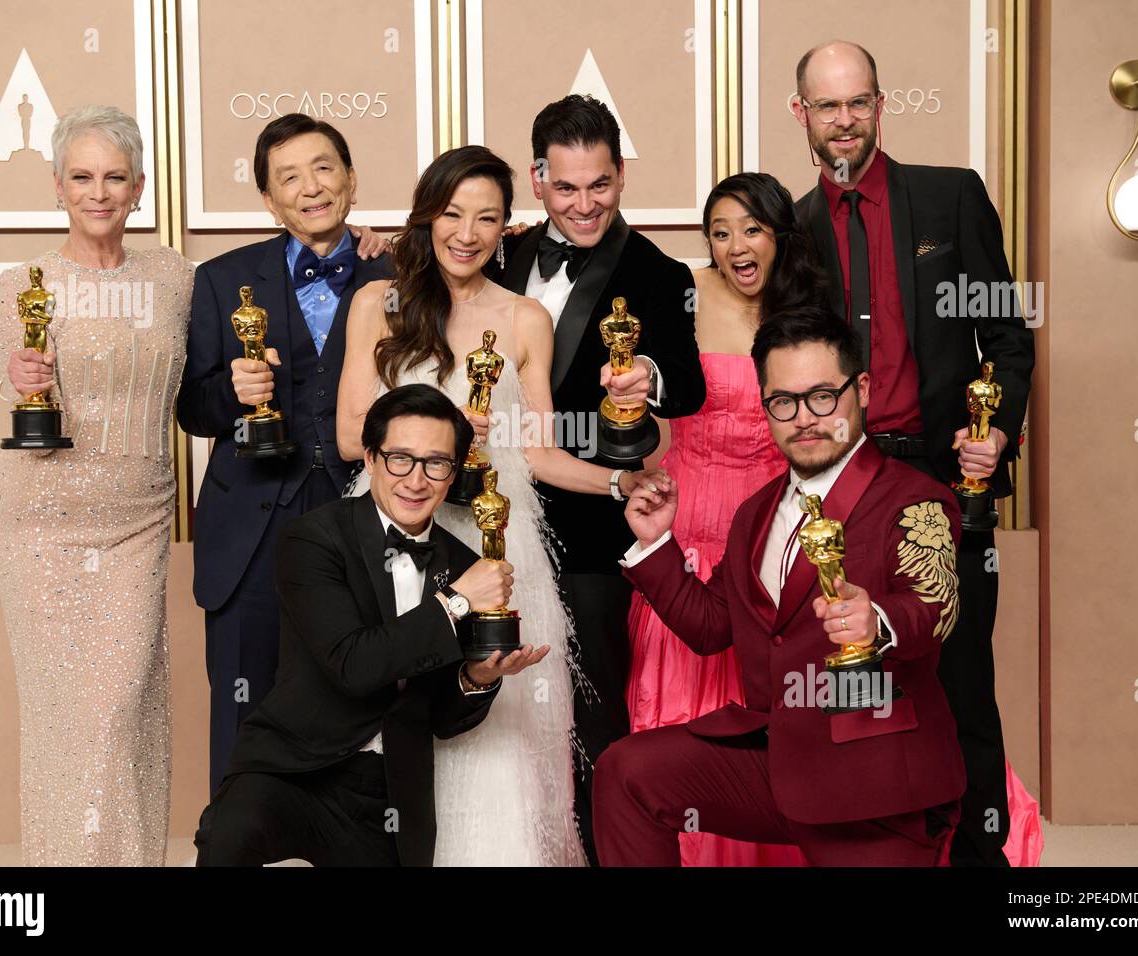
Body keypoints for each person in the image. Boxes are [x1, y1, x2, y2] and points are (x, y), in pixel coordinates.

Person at [338, 145, 665, 865]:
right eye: (452, 213)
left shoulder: (522, 319)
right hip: (400, 549)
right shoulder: (378, 303)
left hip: (501, 553)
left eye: (487, 217)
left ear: (504, 227)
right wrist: (442, 435)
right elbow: (346, 434)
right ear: (426, 217)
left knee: (507, 747)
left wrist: (622, 483)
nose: (467, 231)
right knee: (404, 730)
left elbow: (540, 454)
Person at [595, 308, 967, 866]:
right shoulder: (756, 514)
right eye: (784, 402)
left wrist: (878, 622)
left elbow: (934, 607)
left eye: (823, 396)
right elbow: (709, 625)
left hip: (874, 787)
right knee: (627, 771)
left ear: (861, 390)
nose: (805, 419)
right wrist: (656, 544)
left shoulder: (913, 498)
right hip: (775, 759)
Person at [791, 40, 1037, 866]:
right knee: (859, 688)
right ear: (803, 117)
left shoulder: (950, 198)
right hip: (843, 493)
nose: (845, 121)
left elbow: (1005, 336)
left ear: (880, 105)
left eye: (858, 102)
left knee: (961, 685)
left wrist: (996, 431)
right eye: (828, 106)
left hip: (941, 479)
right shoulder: (789, 230)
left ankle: (982, 859)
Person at [195, 384, 547, 866]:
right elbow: (354, 664)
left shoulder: (462, 563)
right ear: (369, 458)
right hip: (293, 769)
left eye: (436, 463)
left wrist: (475, 679)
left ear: (453, 474)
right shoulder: (312, 539)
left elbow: (441, 718)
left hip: (388, 795)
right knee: (229, 834)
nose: (416, 480)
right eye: (399, 458)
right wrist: (457, 601)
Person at [495, 95, 708, 862]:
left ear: (621, 174)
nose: (584, 205)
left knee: (593, 711)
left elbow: (687, 384)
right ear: (537, 179)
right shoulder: (498, 252)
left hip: (592, 524)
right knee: (494, 697)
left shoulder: (656, 269)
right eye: (566, 187)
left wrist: (645, 372)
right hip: (489, 517)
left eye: (601, 185)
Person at [0, 104, 193, 865]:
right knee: (61, 717)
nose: (98, 191)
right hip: (38, 522)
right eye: (82, 176)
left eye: (114, 176)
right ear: (57, 185)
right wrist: (18, 374)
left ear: (139, 187)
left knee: (120, 710)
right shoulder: (22, 283)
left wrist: (376, 241)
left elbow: (251, 307)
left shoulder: (174, 276)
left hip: (136, 523)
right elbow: (19, 381)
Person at [176, 114, 392, 796]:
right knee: (244, 711)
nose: (311, 188)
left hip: (363, 511)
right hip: (251, 526)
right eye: (289, 178)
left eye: (324, 169)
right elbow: (191, 407)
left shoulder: (400, 271)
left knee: (364, 701)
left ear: (351, 179)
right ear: (269, 200)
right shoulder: (219, 279)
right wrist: (233, 394)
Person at [625, 172, 825, 867]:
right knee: (678, 696)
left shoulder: (811, 306)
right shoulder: (682, 291)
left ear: (778, 236)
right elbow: (641, 401)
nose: (735, 246)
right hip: (687, 518)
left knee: (774, 702)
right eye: (720, 232)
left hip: (777, 526)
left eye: (751, 229)